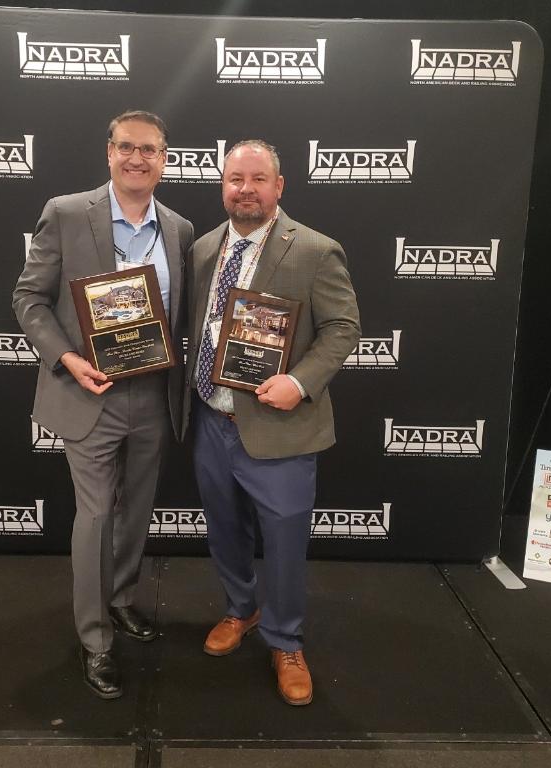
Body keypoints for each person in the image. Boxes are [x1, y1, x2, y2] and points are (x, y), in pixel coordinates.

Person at [13, 110, 193, 699]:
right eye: (127, 147)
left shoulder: (179, 229)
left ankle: (120, 599)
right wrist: (67, 359)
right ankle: (95, 640)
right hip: (89, 391)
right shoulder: (67, 213)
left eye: (150, 149)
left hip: (155, 392)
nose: (137, 158)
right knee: (94, 517)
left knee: (136, 510)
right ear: (109, 152)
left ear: (164, 159)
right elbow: (29, 300)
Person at [185, 139, 361, 706]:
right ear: (223, 186)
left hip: (280, 425)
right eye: (235, 179)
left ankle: (286, 641)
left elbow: (343, 328)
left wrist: (301, 382)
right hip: (212, 419)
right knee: (224, 530)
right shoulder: (203, 248)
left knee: (284, 542)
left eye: (258, 179)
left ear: (278, 186)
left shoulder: (315, 249)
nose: (246, 190)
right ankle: (241, 609)